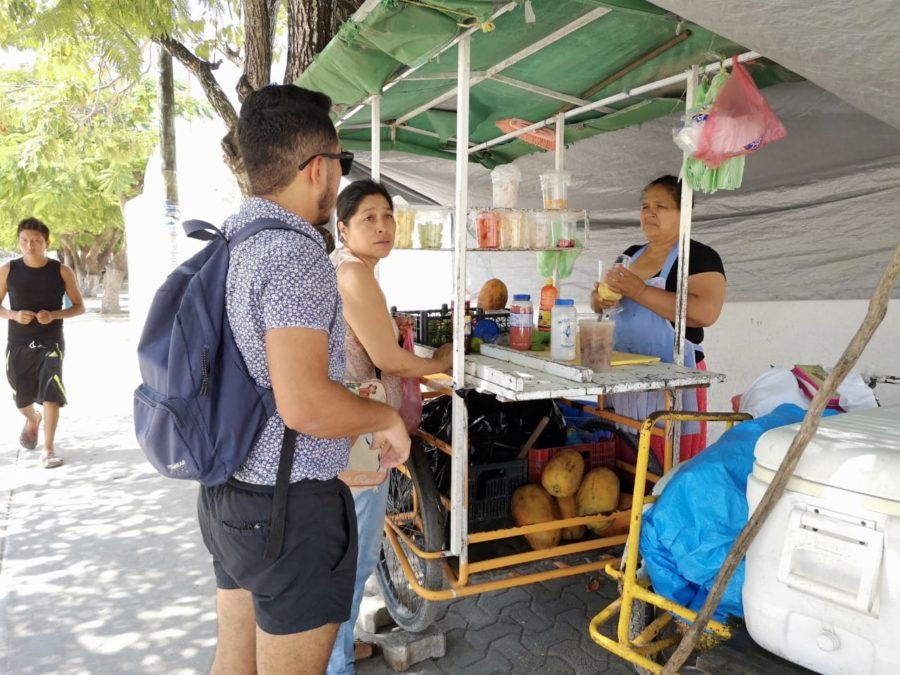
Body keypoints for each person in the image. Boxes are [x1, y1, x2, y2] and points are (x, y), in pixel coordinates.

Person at [195, 85, 411, 675]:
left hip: (228, 492)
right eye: (340, 166)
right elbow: (306, 405)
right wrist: (385, 418)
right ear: (318, 168)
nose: (339, 179)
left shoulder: (233, 238)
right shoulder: (294, 255)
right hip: (286, 509)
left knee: (233, 663)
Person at [327, 180, 452, 674]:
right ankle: (335, 664)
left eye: (388, 217)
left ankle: (338, 650)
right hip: (360, 429)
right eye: (368, 218)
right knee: (354, 554)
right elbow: (387, 360)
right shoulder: (354, 274)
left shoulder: (347, 269)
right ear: (343, 228)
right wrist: (442, 360)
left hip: (347, 422)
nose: (382, 227)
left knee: (347, 545)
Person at [590, 175, 726, 464]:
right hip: (626, 380)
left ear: (684, 213)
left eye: (660, 206)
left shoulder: (699, 256)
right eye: (644, 207)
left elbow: (705, 313)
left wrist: (639, 290)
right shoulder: (629, 255)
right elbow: (600, 303)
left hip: (673, 381)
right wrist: (600, 299)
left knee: (669, 468)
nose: (649, 213)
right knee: (627, 462)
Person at [0, 218, 85, 468]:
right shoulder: (8, 270)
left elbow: (79, 307)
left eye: (36, 241)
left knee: (51, 391)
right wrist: (13, 315)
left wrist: (54, 315)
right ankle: (33, 419)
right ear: (19, 242)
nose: (30, 245)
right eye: (25, 240)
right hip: (18, 342)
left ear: (46, 243)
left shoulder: (61, 271)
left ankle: (48, 449)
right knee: (21, 398)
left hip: (51, 342)